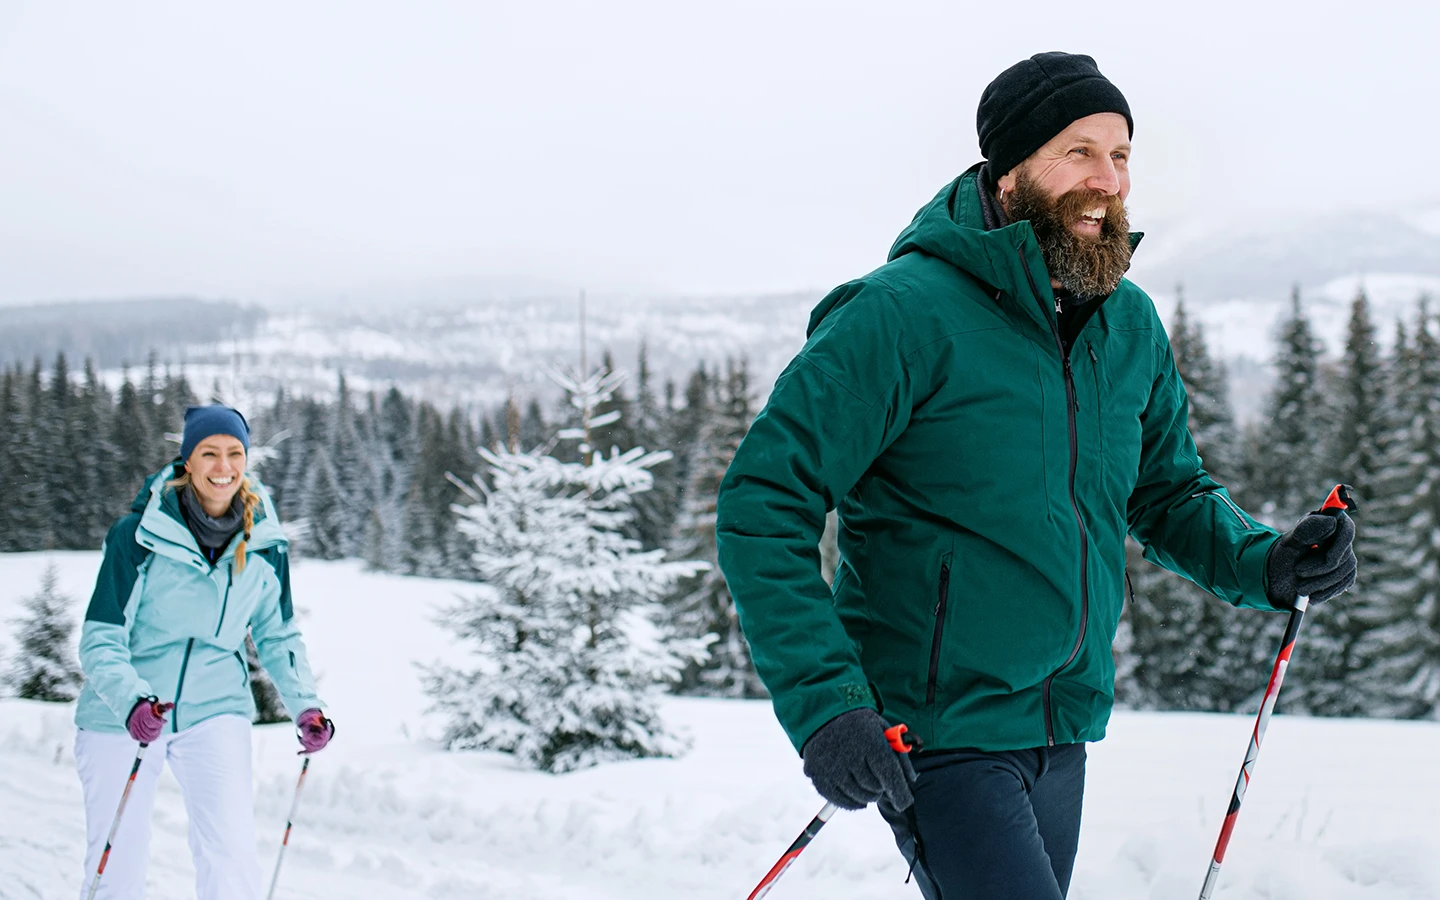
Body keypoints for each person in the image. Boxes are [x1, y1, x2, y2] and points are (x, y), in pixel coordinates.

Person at [715, 52, 1357, 900]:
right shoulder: (901, 315)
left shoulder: (1127, 324)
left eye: (1121, 155)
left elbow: (1164, 491)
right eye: (1078, 151)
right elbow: (764, 502)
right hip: (936, 732)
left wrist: (1265, 563)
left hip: (1063, 726)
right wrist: (829, 706)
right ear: (1009, 172)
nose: (1108, 179)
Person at [74, 405, 334, 900]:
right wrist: (131, 703)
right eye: (209, 453)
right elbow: (101, 636)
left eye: (234, 453)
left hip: (216, 707)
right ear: (187, 461)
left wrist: (306, 705)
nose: (223, 466)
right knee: (118, 867)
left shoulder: (265, 544)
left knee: (231, 856)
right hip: (122, 715)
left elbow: (277, 633)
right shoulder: (137, 538)